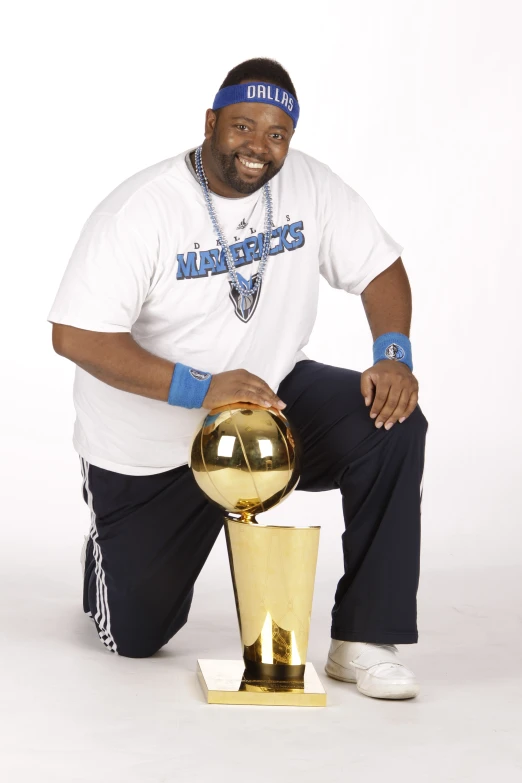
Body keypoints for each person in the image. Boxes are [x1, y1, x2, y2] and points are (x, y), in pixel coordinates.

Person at [48, 57, 428, 700]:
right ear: (211, 122)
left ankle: (365, 637)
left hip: (267, 405)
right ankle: (107, 559)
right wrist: (201, 387)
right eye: (244, 126)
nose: (258, 145)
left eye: (276, 133)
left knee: (391, 422)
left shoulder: (310, 185)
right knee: (136, 639)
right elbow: (75, 335)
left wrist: (393, 354)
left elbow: (381, 266)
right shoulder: (141, 211)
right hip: (152, 448)